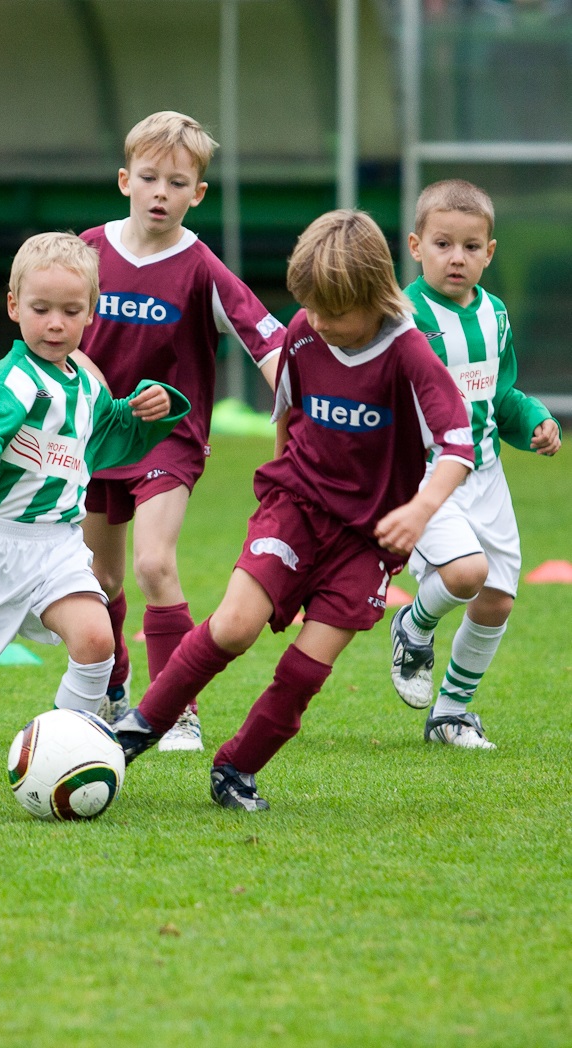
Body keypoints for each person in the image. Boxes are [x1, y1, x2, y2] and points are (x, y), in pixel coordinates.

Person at [112, 209, 476, 810]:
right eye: (312, 308)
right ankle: (135, 730)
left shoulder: (410, 355)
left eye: (335, 312)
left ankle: (236, 768)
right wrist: (280, 491)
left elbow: (458, 448)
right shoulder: (307, 331)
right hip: (295, 509)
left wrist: (420, 510)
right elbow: (287, 411)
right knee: (233, 626)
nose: (320, 323)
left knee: (308, 667)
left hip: (367, 541)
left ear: (376, 296)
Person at [0, 232, 189, 722]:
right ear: (13, 306)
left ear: (92, 312)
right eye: (40, 308)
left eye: (70, 311)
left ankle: (67, 748)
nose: (54, 323)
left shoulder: (87, 384)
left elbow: (111, 434)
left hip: (58, 544)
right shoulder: (10, 382)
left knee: (95, 639)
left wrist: (154, 407)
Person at [77, 110, 285, 753]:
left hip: (168, 440)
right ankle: (116, 691)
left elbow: (270, 344)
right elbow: (46, 326)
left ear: (198, 193)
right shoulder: (87, 250)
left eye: (176, 182)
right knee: (99, 581)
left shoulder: (201, 268)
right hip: (93, 440)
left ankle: (176, 709)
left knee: (154, 564)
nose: (160, 192)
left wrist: (308, 409)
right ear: (124, 181)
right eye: (148, 178)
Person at [390, 179, 561, 748]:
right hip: (426, 478)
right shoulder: (401, 317)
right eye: (442, 244)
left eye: (469, 246)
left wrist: (534, 418)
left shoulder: (496, 315)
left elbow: (498, 394)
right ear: (416, 246)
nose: (455, 258)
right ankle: (412, 627)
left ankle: (450, 714)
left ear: (490, 252)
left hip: (486, 476)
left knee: (497, 600)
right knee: (465, 575)